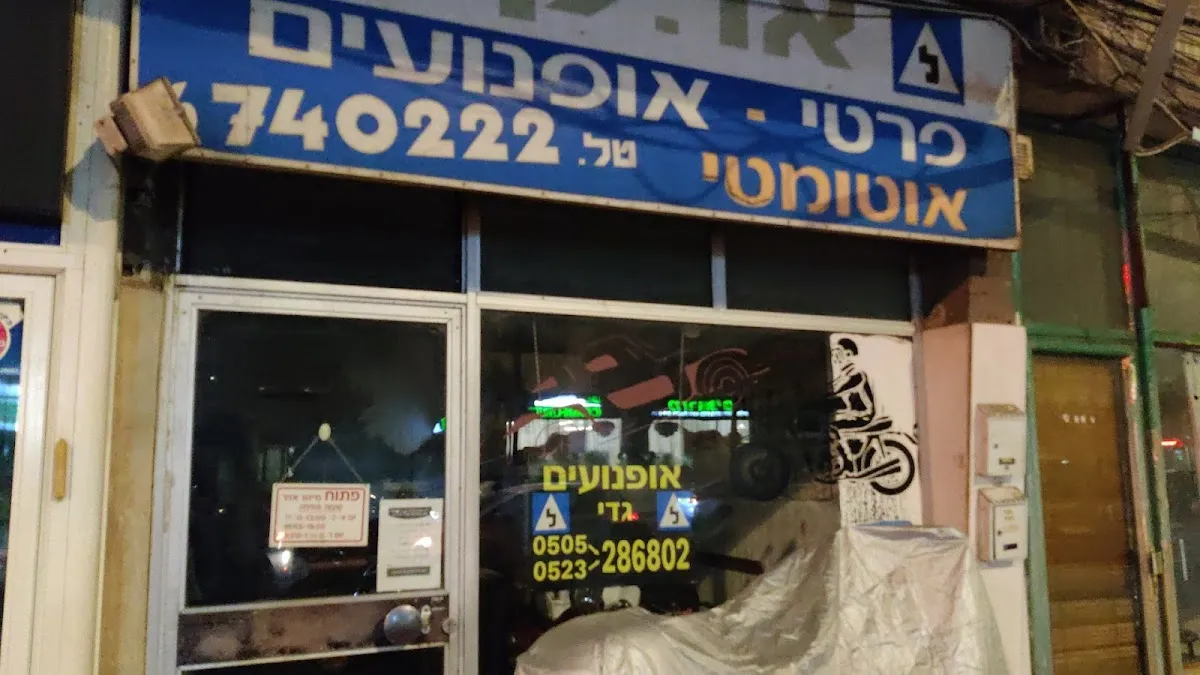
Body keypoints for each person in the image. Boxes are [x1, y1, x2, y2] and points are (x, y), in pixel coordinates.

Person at [829, 338, 877, 431]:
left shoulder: (857, 375)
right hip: (853, 414)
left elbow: (837, 391)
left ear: (848, 354)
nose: (834, 356)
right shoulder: (843, 375)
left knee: (829, 428)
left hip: (862, 417)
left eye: (838, 352)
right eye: (833, 352)